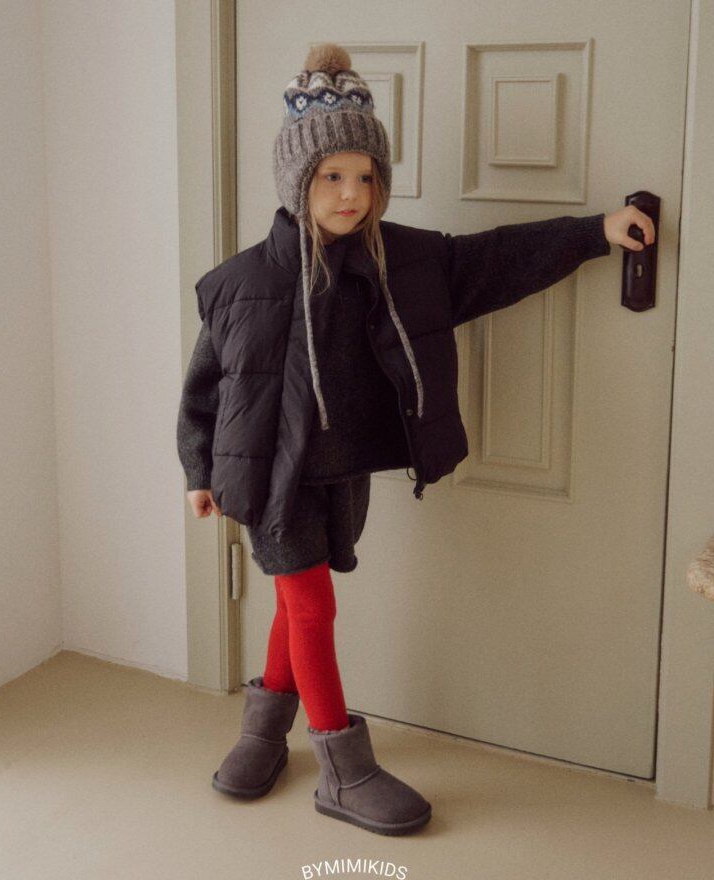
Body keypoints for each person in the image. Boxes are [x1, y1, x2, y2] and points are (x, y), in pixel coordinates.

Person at [176, 43, 656, 836]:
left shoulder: (402, 262)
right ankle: (343, 768)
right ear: (297, 179)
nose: (352, 193)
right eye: (333, 176)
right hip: (268, 477)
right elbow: (203, 388)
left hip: (345, 471)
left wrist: (595, 231)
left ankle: (263, 730)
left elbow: (496, 261)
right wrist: (199, 469)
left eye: (367, 177)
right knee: (313, 604)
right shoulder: (241, 282)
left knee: (298, 601)